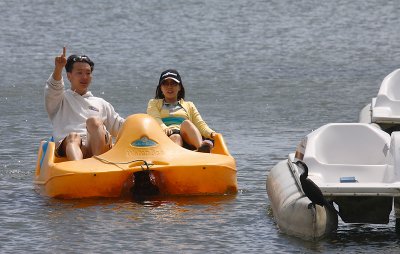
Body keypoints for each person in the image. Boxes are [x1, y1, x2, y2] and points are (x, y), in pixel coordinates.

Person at [45, 47, 125, 161]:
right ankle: (79, 169)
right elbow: (53, 87)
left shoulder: (101, 103)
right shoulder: (59, 99)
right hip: (70, 148)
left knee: (94, 121)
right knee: (74, 136)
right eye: (79, 73)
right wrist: (58, 68)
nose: (84, 77)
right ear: (69, 76)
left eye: (88, 73)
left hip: (97, 147)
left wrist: (146, 123)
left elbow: (121, 127)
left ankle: (98, 164)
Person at [147, 69, 216, 153]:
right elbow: (155, 118)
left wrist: (212, 133)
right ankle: (178, 158)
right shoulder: (154, 103)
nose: (169, 87)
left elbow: (200, 124)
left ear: (179, 87)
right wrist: (164, 128)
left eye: (173, 83)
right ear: (161, 88)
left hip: (187, 136)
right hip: (166, 136)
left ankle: (201, 150)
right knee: (176, 137)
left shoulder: (189, 105)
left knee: (186, 123)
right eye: (165, 83)